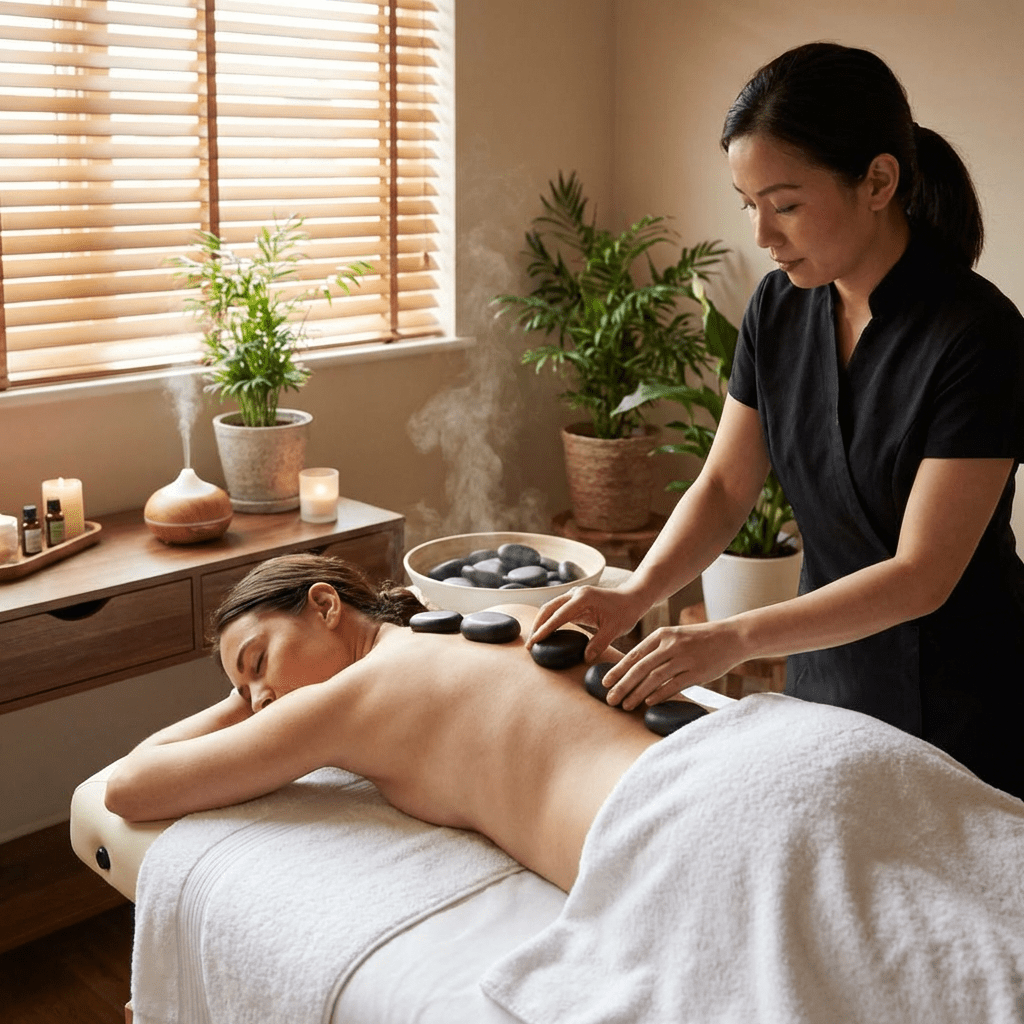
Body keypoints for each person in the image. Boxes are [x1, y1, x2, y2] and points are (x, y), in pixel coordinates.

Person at [528, 41, 1024, 798]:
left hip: (966, 697)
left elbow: (922, 575)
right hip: (829, 674)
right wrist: (635, 590)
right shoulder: (780, 307)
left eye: (786, 204)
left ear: (879, 181)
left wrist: (731, 637)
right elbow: (727, 485)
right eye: (748, 205)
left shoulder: (979, 335)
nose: (762, 235)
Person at [104, 553, 664, 893]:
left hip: (651, 834)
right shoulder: (510, 618)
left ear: (326, 607)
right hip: (710, 763)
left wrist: (235, 705)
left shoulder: (347, 698)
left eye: (257, 663)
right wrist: (253, 690)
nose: (256, 700)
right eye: (244, 692)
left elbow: (129, 786)